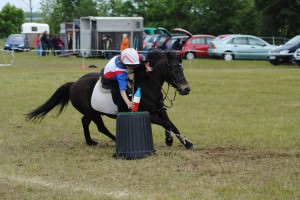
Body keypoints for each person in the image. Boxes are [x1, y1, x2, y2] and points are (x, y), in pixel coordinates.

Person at [101, 48, 143, 112]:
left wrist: (147, 65)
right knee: (120, 89)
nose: (133, 68)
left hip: (113, 67)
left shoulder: (134, 57)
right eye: (131, 66)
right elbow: (122, 90)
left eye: (135, 66)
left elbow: (143, 57)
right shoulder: (121, 72)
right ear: (125, 64)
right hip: (108, 77)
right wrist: (128, 102)